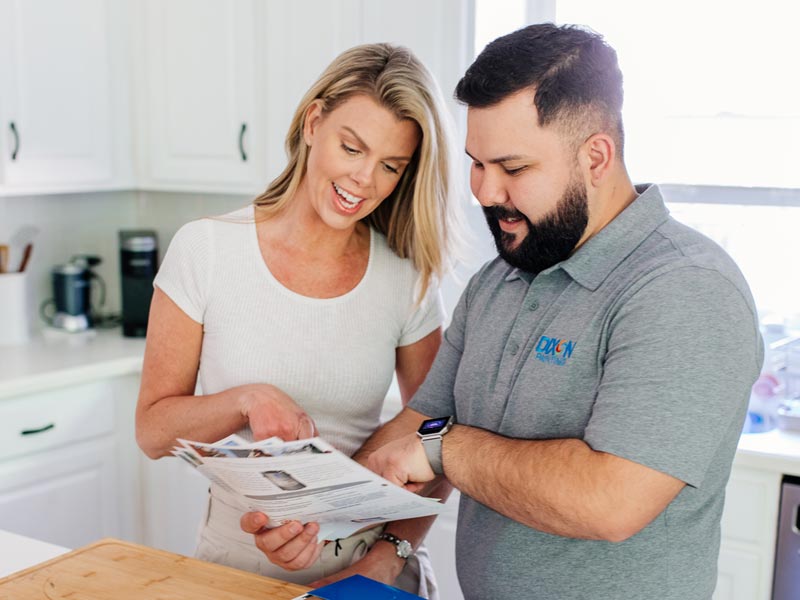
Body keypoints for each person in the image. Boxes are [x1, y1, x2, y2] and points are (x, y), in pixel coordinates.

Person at [357, 24, 762, 599]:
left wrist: (446, 449)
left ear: (596, 156)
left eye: (514, 168)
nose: (486, 192)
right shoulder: (500, 279)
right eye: (476, 163)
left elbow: (611, 499)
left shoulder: (684, 289)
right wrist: (307, 494)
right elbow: (420, 421)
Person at [135, 42, 460, 598]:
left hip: (371, 568)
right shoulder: (207, 249)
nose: (363, 180)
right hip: (236, 563)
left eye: (390, 166)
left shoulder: (404, 274)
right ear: (314, 122)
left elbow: (441, 433)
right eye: (351, 147)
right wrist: (247, 398)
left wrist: (388, 557)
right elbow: (153, 431)